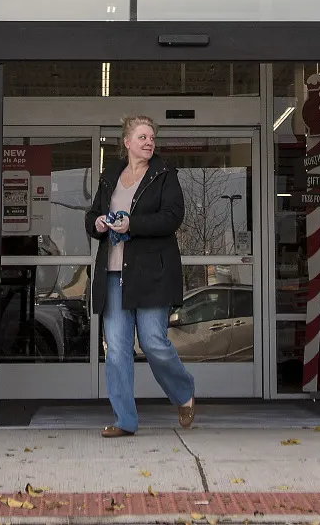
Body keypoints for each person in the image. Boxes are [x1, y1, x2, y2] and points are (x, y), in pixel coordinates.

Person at [86, 113, 195, 436]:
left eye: (151, 138)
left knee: (153, 342)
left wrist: (133, 224)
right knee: (117, 349)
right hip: (113, 274)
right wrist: (97, 224)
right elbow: (92, 214)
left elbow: (173, 217)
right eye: (143, 137)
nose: (149, 143)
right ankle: (125, 420)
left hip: (151, 274)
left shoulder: (164, 175)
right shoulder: (111, 175)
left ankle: (184, 392)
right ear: (128, 142)